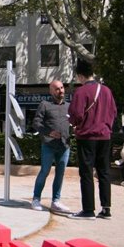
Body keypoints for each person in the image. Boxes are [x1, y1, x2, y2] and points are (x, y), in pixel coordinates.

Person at [67, 59, 117, 220]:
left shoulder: (81, 92)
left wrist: (75, 125)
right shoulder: (106, 90)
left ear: (80, 75)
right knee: (104, 171)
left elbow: (76, 114)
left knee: (86, 172)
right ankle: (106, 208)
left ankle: (88, 209)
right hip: (105, 135)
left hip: (87, 136)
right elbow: (113, 112)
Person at [30, 80, 72, 214]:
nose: (61, 91)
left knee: (60, 174)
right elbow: (36, 123)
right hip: (48, 145)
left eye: (62, 88)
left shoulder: (69, 106)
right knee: (45, 172)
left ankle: (56, 201)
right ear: (51, 91)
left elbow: (75, 122)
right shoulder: (45, 105)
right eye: (57, 89)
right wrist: (48, 132)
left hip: (64, 145)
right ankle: (36, 199)